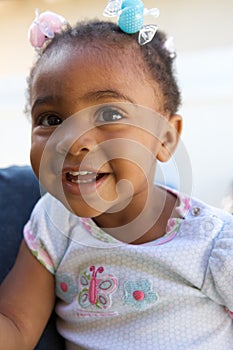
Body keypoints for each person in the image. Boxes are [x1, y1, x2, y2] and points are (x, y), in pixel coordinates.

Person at [0, 1, 233, 349]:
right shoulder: (52, 223)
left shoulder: (212, 243)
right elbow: (16, 325)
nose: (73, 141)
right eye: (51, 120)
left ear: (165, 138)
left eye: (109, 114)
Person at [0, 166, 65, 349]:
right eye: (50, 134)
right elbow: (17, 327)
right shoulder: (51, 219)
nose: (70, 143)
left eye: (109, 134)